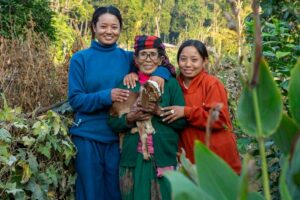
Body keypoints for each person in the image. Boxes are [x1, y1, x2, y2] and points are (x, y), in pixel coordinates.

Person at [68, 6, 173, 200]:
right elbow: (75, 99)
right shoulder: (80, 59)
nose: (109, 31)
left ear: (120, 29)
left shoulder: (127, 58)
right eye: (103, 26)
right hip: (88, 136)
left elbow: (162, 65)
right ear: (94, 27)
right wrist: (107, 95)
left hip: (120, 138)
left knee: (118, 192)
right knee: (91, 192)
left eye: (114, 27)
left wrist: (160, 74)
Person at [108, 35, 186, 200]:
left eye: (153, 54)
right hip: (132, 159)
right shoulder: (126, 85)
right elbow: (113, 122)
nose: (148, 59)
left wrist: (159, 111)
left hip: (162, 158)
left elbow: (182, 122)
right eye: (143, 54)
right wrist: (129, 118)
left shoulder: (171, 85)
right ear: (135, 59)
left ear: (160, 59)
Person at [161, 40, 241, 174]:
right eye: (183, 59)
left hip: (218, 156)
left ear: (205, 62)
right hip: (190, 157)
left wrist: (186, 112)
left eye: (194, 60)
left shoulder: (211, 84)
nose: (188, 64)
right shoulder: (173, 85)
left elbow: (219, 119)